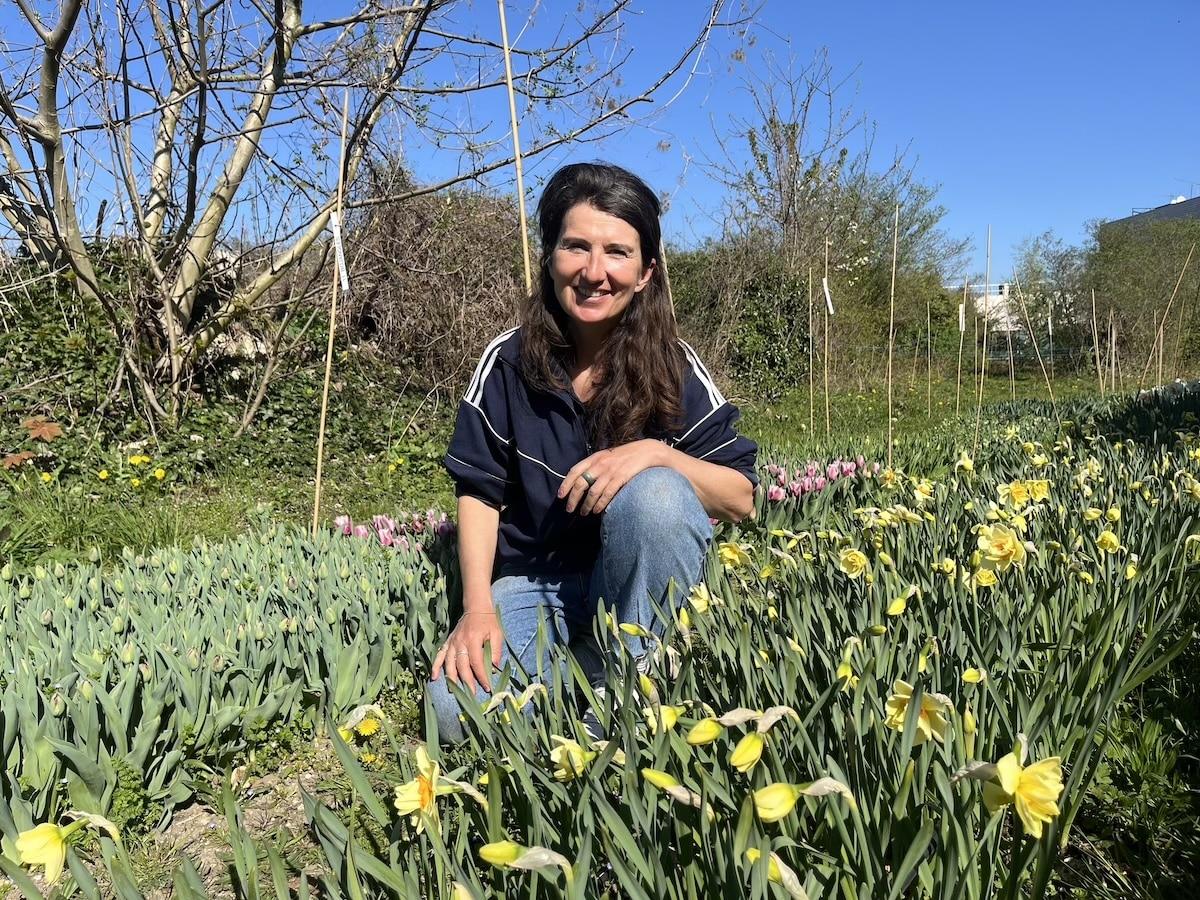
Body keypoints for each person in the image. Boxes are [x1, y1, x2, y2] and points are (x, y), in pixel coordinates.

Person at [427, 162, 758, 743]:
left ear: (647, 272)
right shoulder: (507, 362)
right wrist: (476, 609)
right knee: (455, 713)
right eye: (576, 246)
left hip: (634, 585)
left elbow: (741, 498)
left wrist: (656, 455)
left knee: (659, 493)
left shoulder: (673, 366)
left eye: (618, 252)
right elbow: (478, 489)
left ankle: (630, 686)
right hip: (534, 586)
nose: (594, 272)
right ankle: (588, 668)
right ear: (550, 256)